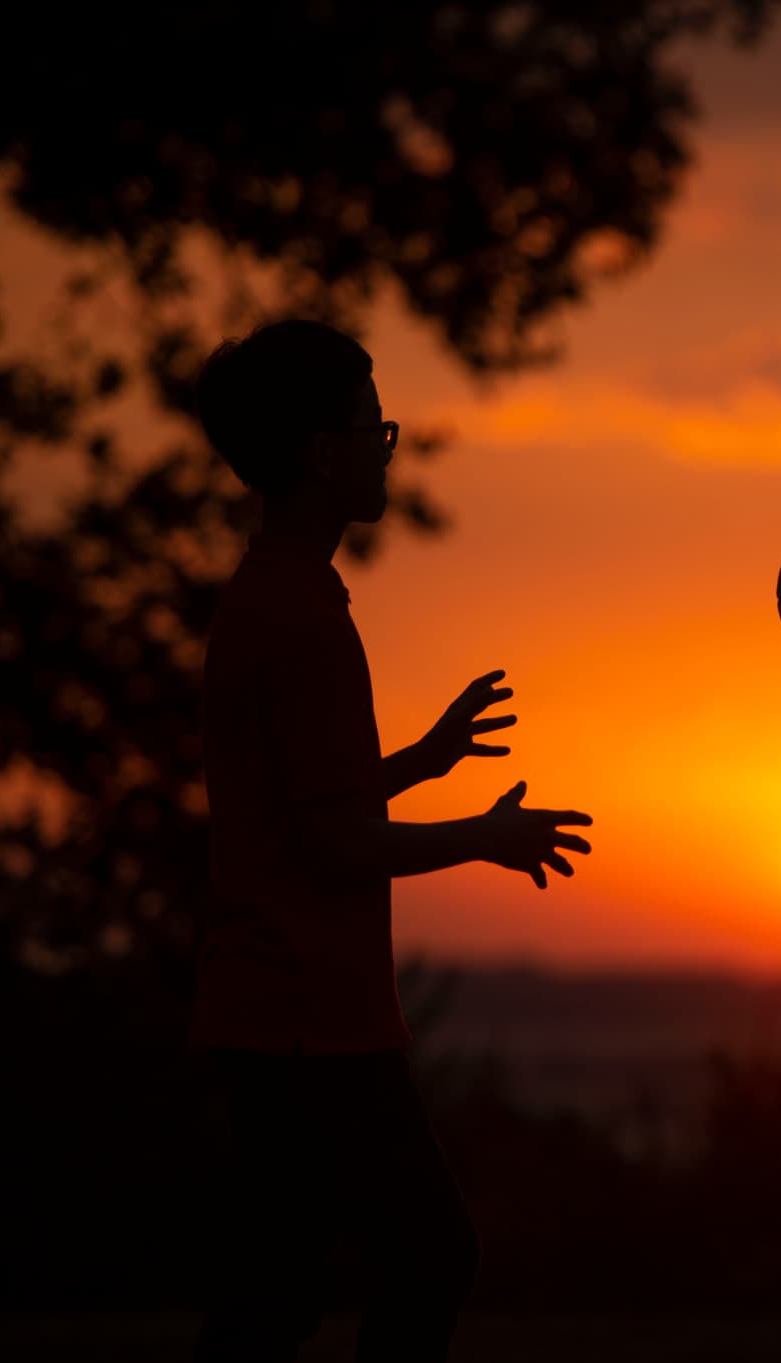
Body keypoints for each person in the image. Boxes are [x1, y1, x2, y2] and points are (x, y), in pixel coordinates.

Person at [190, 319, 594, 1362]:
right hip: (302, 1011)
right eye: (373, 425)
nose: (386, 443)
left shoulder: (274, 595)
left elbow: (303, 804)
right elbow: (334, 849)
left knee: (276, 1291)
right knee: (427, 1255)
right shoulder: (301, 619)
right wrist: (484, 834)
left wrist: (421, 758)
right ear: (325, 452)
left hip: (279, 1005)